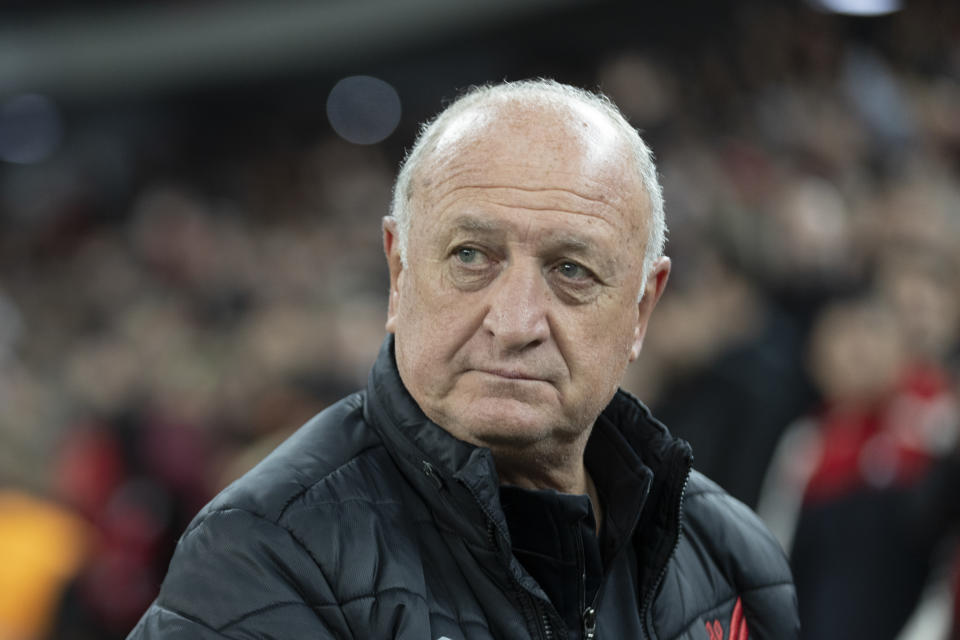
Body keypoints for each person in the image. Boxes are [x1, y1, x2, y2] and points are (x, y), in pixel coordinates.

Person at [128, 79, 798, 639]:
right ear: (398, 271)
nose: (513, 324)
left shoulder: (731, 553)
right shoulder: (265, 558)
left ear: (642, 310)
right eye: (471, 257)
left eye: (572, 270)